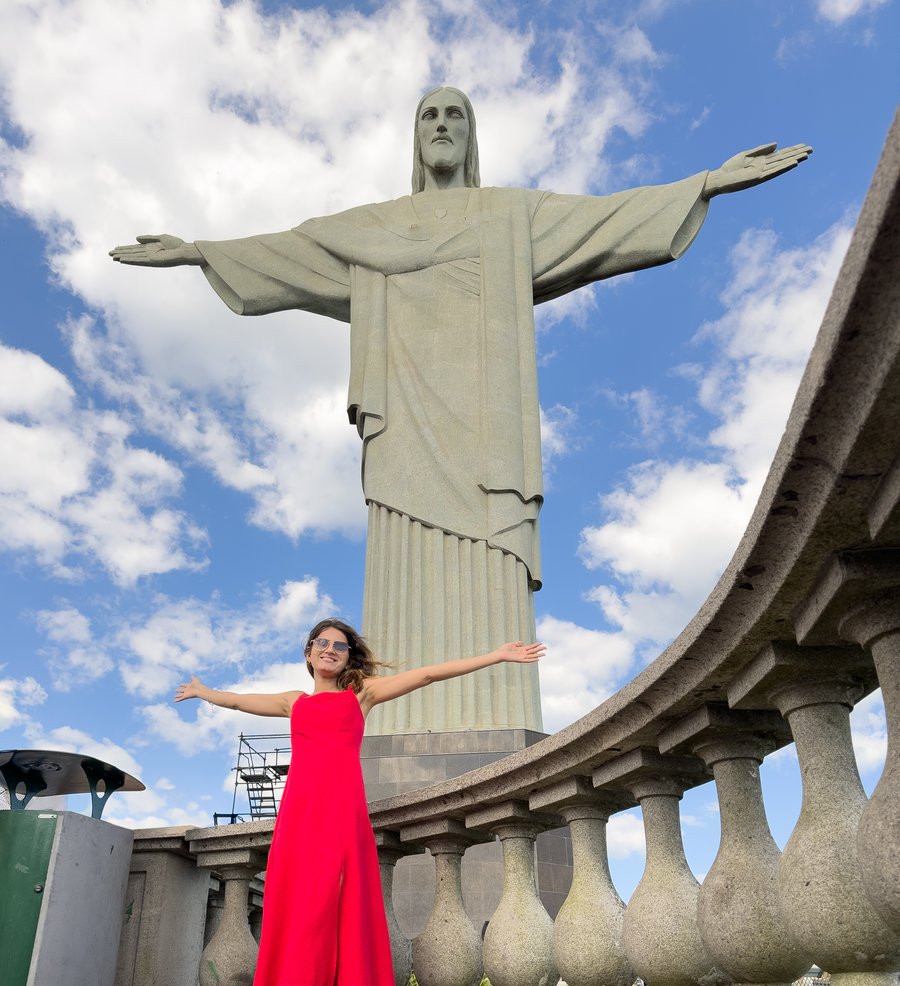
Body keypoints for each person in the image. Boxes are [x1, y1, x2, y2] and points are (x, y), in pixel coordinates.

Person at [115, 88, 810, 738]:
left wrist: (706, 183)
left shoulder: (511, 215)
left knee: (488, 544)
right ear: (415, 139)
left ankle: (498, 710)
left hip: (487, 428)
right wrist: (197, 252)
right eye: (429, 115)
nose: (442, 124)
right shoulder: (373, 227)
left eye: (455, 114)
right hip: (403, 422)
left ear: (471, 135)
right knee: (400, 557)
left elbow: (604, 220)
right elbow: (289, 250)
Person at [174, 620, 545, 986]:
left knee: (303, 953)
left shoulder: (360, 697)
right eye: (321, 644)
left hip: (338, 830)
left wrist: (495, 655)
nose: (329, 650)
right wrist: (202, 692)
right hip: (296, 831)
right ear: (308, 654)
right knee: (311, 959)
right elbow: (239, 702)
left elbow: (428, 675)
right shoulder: (293, 702)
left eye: (338, 645)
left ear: (348, 657)